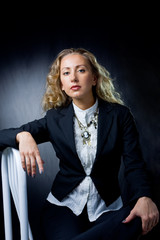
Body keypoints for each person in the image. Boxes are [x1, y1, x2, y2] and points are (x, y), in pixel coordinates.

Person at [0, 48, 159, 240]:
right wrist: (23, 135)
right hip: (62, 208)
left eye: (81, 70)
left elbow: (134, 164)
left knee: (139, 217)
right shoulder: (54, 119)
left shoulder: (119, 116)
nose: (73, 78)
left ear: (94, 78)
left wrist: (144, 197)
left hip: (108, 208)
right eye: (66, 73)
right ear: (62, 84)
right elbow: (3, 135)